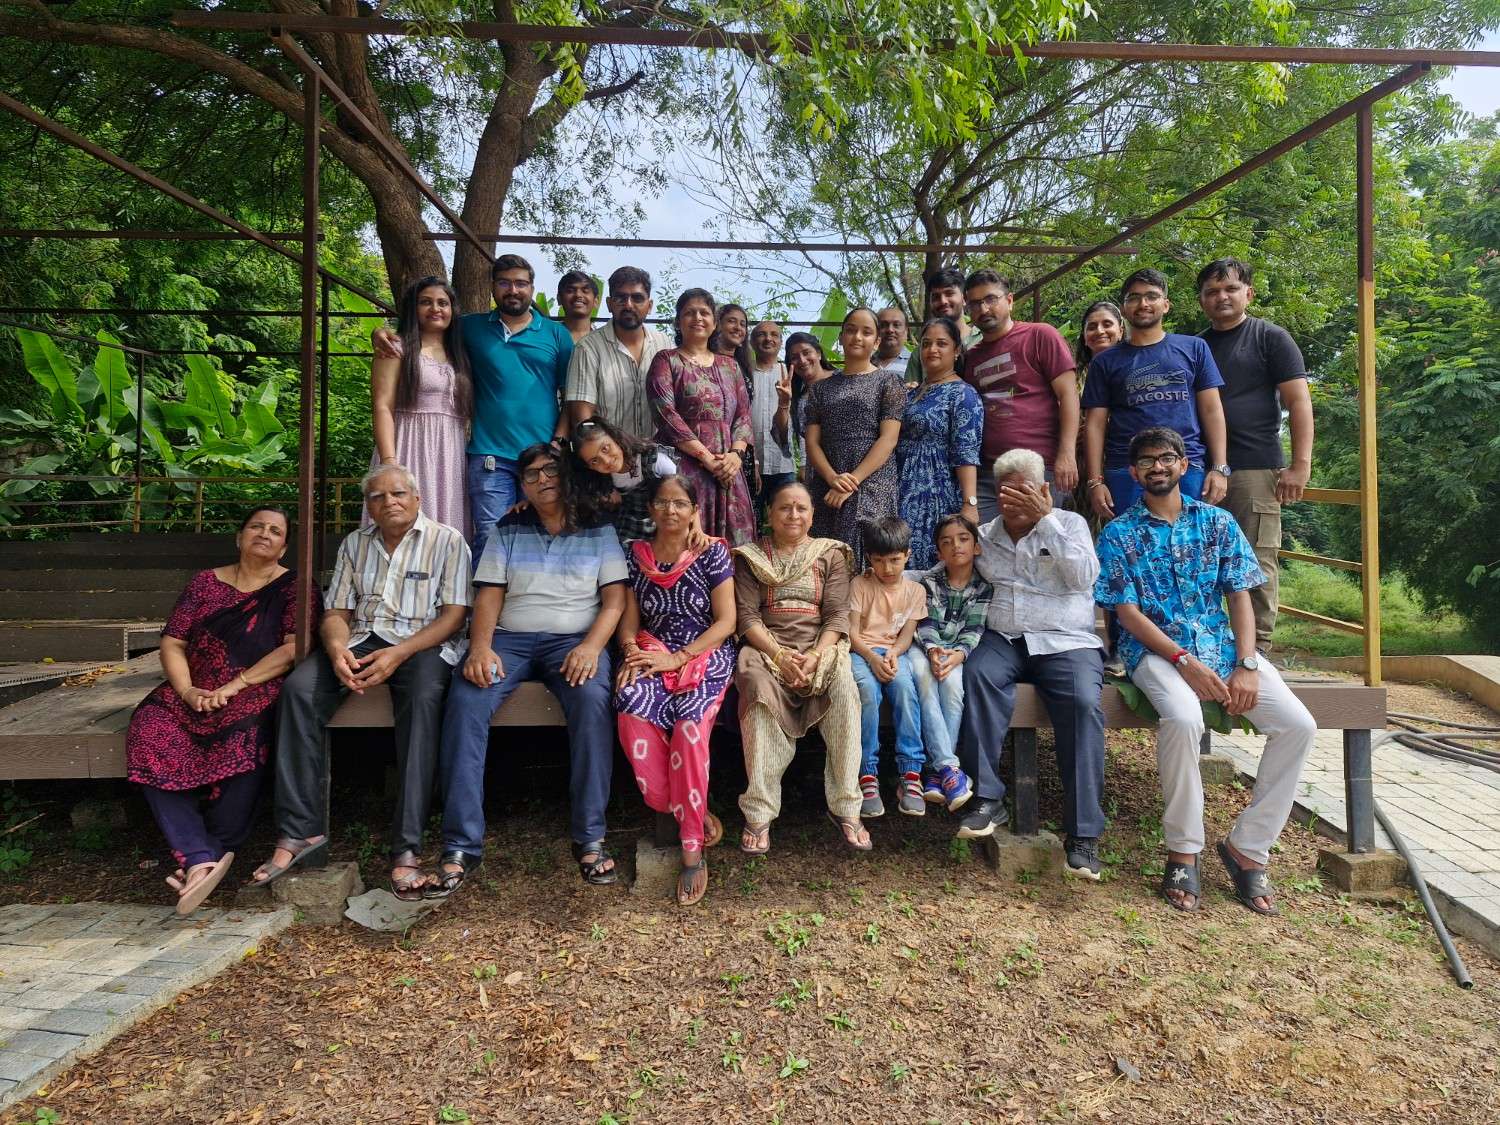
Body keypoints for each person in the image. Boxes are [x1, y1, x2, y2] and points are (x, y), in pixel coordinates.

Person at [1095, 427, 1317, 914]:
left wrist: (1248, 663)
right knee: (1182, 718)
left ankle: (1247, 849)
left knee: (1300, 725)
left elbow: (1240, 595)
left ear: (1184, 465)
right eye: (1148, 460)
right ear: (1133, 473)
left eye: (1168, 457)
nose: (1158, 466)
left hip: (1223, 649)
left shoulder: (1217, 523)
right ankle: (1183, 850)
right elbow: (1127, 613)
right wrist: (1183, 661)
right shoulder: (1117, 534)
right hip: (1154, 653)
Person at [251, 466, 470, 898]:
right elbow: (336, 613)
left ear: (417, 498)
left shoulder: (448, 541)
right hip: (361, 639)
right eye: (378, 497)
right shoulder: (356, 543)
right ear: (368, 507)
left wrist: (399, 652)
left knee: (424, 699)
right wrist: (335, 651)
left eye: (398, 493)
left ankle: (406, 849)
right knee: (297, 691)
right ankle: (300, 833)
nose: (389, 502)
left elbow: (453, 616)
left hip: (421, 644)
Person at [434, 444, 627, 894]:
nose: (543, 479)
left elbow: (615, 599)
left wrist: (591, 647)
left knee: (592, 700)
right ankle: (461, 843)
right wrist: (480, 646)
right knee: (466, 699)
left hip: (574, 641)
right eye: (532, 475)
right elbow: (490, 594)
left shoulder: (598, 528)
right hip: (511, 641)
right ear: (521, 485)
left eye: (551, 470)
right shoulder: (509, 527)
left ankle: (591, 837)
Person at [126, 509, 316, 914]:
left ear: (284, 545)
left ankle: (202, 855)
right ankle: (202, 857)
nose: (264, 534)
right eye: (256, 526)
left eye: (275, 531)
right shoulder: (204, 583)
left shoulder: (295, 586)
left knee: (245, 735)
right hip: (194, 687)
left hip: (254, 688)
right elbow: (174, 642)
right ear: (239, 536)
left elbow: (292, 648)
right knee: (149, 726)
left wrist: (234, 686)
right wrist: (188, 689)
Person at [958, 449, 1108, 882]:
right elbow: (949, 569)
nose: (1017, 500)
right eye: (1009, 493)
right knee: (975, 674)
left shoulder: (1071, 525)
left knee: (1082, 702)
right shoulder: (985, 535)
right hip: (1003, 637)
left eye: (1028, 490)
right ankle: (986, 797)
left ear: (1044, 489)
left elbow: (1084, 578)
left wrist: (1048, 520)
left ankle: (1082, 835)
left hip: (1065, 642)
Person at [373, 254, 573, 556]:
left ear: (532, 288)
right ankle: (484, 604)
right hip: (488, 455)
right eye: (504, 283)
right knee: (490, 537)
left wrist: (558, 443)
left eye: (521, 283)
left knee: (543, 532)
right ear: (493, 287)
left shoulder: (557, 334)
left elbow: (570, 395)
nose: (513, 290)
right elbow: (424, 332)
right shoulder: (471, 329)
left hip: (543, 454)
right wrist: (380, 332)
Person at [614, 474, 738, 906]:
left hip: (703, 655)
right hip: (652, 652)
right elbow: (629, 618)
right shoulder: (636, 555)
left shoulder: (712, 552)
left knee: (689, 725)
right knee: (630, 705)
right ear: (650, 509)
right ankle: (694, 810)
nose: (671, 510)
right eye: (663, 502)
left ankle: (692, 850)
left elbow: (726, 622)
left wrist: (680, 657)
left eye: (680, 503)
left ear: (693, 510)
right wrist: (631, 650)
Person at [733, 480, 870, 854]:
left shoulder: (831, 555)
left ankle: (847, 806)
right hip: (765, 649)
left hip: (818, 648)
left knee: (844, 689)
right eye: (784, 508)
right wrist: (778, 655)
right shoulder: (750, 558)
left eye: (801, 508)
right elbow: (746, 618)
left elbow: (837, 617)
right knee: (758, 692)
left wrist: (814, 655)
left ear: (812, 516)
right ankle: (760, 811)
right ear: (769, 514)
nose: (793, 515)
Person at [1197, 258, 1313, 652]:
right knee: (1202, 561)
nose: (1221, 297)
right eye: (1212, 291)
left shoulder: (1270, 337)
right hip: (1202, 470)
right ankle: (1208, 644)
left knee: (1255, 560)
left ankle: (1258, 650)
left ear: (1248, 293)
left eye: (1229, 288)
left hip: (1256, 467)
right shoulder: (1196, 346)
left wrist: (1300, 465)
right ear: (1201, 300)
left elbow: (1298, 402)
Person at [1081, 268, 1228, 524]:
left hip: (1186, 465)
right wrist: (1095, 481)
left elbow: (1212, 410)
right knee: (1131, 552)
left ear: (1166, 305)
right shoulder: (1105, 361)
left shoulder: (1194, 348)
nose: (1143, 304)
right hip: (1127, 470)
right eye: (1134, 297)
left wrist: (1219, 467)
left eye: (1152, 296)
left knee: (1188, 547)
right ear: (1124, 309)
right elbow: (1095, 424)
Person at [961, 269, 1080, 523]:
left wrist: (1067, 454)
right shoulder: (971, 358)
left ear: (1010, 300)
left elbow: (1068, 394)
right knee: (987, 547)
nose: (983, 309)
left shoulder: (1040, 335)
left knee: (1037, 546)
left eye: (991, 299)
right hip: (989, 473)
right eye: (974, 303)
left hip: (1038, 467)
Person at [647, 288, 756, 545]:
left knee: (736, 550)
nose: (698, 318)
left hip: (728, 470)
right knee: (687, 544)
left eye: (704, 312)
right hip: (684, 470)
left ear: (714, 322)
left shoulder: (730, 366)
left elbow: (743, 416)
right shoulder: (667, 361)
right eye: (689, 313)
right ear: (678, 321)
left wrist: (735, 456)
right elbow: (666, 416)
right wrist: (708, 459)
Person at [369, 276, 473, 536]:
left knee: (447, 531)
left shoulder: (462, 353)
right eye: (425, 302)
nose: (435, 309)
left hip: (450, 454)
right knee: (401, 526)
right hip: (408, 448)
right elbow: (382, 405)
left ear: (453, 310)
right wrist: (390, 463)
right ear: (413, 309)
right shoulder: (395, 347)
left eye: (443, 303)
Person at [804, 307, 906, 568]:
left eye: (866, 332)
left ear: (877, 342)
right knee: (828, 558)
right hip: (829, 483)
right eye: (851, 330)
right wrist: (832, 479)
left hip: (872, 482)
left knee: (872, 557)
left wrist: (852, 482)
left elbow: (889, 439)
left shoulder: (889, 382)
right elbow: (812, 442)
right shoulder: (821, 389)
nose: (857, 337)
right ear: (840, 337)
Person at [847, 517, 929, 818]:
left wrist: (893, 654)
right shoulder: (860, 584)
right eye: (879, 561)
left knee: (907, 689)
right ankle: (866, 773)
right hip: (861, 651)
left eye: (895, 560)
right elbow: (852, 633)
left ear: (907, 555)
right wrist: (872, 657)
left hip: (894, 653)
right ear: (869, 558)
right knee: (867, 692)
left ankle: (910, 773)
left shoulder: (914, 592)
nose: (887, 568)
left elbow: (906, 636)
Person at [910, 514, 987, 811]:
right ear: (939, 552)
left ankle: (934, 772)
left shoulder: (983, 588)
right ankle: (949, 769)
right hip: (922, 649)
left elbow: (974, 630)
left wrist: (957, 656)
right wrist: (932, 651)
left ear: (976, 547)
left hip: (955, 653)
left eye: (964, 539)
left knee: (954, 690)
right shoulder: (927, 582)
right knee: (926, 683)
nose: (956, 546)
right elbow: (924, 623)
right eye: (947, 542)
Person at [897, 316, 983, 569]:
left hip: (935, 495)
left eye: (941, 343)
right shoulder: (912, 393)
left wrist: (969, 505)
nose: (932, 349)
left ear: (956, 350)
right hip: (902, 490)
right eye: (926, 343)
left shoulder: (963, 394)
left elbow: (966, 451)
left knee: (928, 568)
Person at [565, 266, 670, 443]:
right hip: (611, 459)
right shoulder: (588, 349)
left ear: (649, 306)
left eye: (637, 298)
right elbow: (583, 419)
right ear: (609, 303)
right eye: (621, 298)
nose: (629, 305)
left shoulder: (665, 345)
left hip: (659, 458)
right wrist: (608, 456)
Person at [569, 414, 681, 542]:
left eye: (605, 448)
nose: (606, 461)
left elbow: (684, 497)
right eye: (595, 461)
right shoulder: (603, 480)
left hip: (666, 526)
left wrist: (696, 528)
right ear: (589, 467)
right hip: (631, 533)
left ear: (615, 438)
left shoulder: (655, 462)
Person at [748, 319, 796, 519]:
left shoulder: (792, 373)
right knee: (752, 521)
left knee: (788, 521)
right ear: (751, 342)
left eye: (774, 334)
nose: (768, 338)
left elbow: (804, 417)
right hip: (750, 464)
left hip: (783, 465)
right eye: (761, 334)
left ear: (780, 341)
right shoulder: (743, 373)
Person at [904, 267, 981, 384]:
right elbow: (911, 393)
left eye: (949, 293)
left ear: (964, 298)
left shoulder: (983, 340)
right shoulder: (922, 352)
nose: (943, 301)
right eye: (936, 297)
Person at [785, 331, 834, 476]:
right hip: (815, 472)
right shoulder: (798, 397)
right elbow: (798, 437)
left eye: (806, 352)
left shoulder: (842, 380)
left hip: (847, 467)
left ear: (818, 353)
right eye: (795, 357)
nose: (802, 360)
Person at [1074, 300, 1124, 372]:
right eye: (1092, 328)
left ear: (1121, 331)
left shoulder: (1136, 370)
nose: (1099, 331)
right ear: (1084, 336)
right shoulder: (1073, 376)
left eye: (1107, 325)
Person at [557, 269, 600, 343]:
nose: (578, 295)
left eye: (585, 291)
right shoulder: (546, 335)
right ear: (559, 298)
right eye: (570, 291)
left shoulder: (604, 339)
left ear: (596, 300)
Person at [875, 306, 910, 379]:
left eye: (896, 325)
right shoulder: (866, 361)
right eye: (883, 325)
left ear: (906, 331)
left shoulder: (917, 364)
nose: (890, 330)